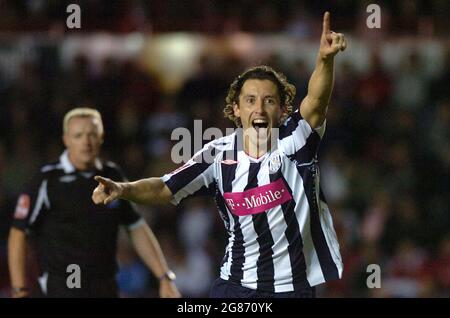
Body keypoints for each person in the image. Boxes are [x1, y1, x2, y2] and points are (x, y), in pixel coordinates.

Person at [92, 12, 346, 298]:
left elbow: (316, 100)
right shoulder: (217, 153)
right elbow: (165, 187)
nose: (259, 109)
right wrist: (123, 189)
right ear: (236, 109)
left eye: (269, 100)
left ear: (282, 109)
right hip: (235, 288)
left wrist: (325, 60)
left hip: (292, 290)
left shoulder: (297, 137)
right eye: (250, 100)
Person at [8, 108, 181, 298]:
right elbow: (18, 233)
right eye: (78, 135)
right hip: (61, 289)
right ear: (66, 139)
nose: (86, 142)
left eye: (92, 134)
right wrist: (19, 289)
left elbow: (136, 226)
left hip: (105, 287)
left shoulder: (112, 175)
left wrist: (164, 277)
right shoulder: (47, 180)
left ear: (101, 137)